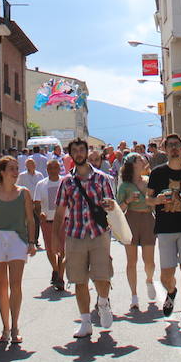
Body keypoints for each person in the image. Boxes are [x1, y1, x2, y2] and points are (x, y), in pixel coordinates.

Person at [53, 138, 116, 339]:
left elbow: (112, 205)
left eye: (82, 149)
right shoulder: (66, 182)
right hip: (75, 234)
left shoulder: (102, 178)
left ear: (87, 152)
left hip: (98, 233)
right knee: (79, 280)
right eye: (75, 151)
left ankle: (103, 302)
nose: (79, 153)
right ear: (71, 155)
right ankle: (86, 321)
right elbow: (60, 210)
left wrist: (110, 206)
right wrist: (56, 238)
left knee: (102, 276)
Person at [0, 156, 38, 345]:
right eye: (11, 168)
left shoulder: (24, 193)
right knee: (1, 286)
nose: (15, 172)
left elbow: (30, 219)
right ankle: (5, 327)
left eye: (16, 168)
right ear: (2, 172)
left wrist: (31, 242)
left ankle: (15, 327)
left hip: (17, 240)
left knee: (16, 285)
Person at [148, 133, 181, 330]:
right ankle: (171, 291)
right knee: (166, 274)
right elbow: (149, 199)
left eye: (176, 145)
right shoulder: (157, 173)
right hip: (165, 228)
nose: (173, 148)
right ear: (164, 149)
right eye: (169, 145)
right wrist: (158, 201)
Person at [115, 152, 158, 310]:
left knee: (149, 261)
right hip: (131, 220)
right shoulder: (125, 186)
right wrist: (128, 200)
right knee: (131, 261)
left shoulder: (148, 181)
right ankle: (134, 295)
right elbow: (118, 209)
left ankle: (149, 279)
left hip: (147, 219)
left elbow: (155, 202)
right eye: (140, 159)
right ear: (133, 164)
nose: (143, 161)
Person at [33, 159, 65, 291]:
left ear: (59, 169)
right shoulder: (41, 184)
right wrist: (40, 213)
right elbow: (36, 203)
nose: (52, 170)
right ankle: (56, 270)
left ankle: (61, 278)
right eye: (50, 168)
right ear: (46, 170)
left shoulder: (65, 182)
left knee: (63, 249)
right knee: (51, 249)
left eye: (55, 168)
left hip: (64, 221)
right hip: (48, 222)